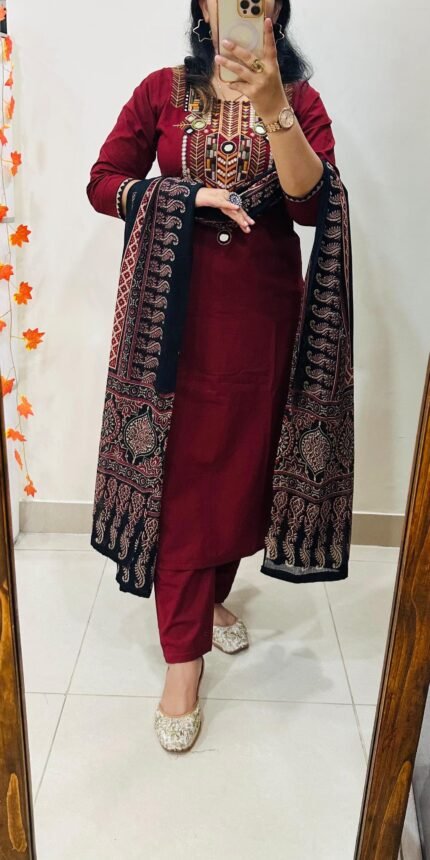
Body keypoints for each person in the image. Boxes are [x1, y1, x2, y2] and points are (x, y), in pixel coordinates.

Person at [86, 0, 338, 752]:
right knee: (185, 481)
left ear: (277, 9)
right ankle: (182, 656)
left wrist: (274, 107)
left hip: (263, 321)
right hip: (174, 321)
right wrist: (182, 195)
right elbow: (103, 181)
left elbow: (312, 205)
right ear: (202, 6)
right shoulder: (162, 91)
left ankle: (210, 599)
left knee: (242, 469)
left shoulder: (300, 100)